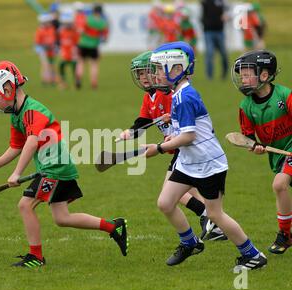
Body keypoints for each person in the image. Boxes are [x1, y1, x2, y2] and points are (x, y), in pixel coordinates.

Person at [0, 61, 128, 268]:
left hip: (54, 168)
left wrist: (16, 173)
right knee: (62, 218)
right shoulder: (17, 116)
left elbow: (32, 142)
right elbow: (16, 146)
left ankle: (36, 257)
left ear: (8, 88)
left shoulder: (33, 110)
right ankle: (114, 227)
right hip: (52, 168)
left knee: (25, 205)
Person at [143, 41, 267, 270]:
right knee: (165, 202)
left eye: (160, 69)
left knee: (215, 214)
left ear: (178, 69)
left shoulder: (185, 97)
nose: (156, 75)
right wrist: (171, 138)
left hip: (208, 164)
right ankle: (190, 242)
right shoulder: (178, 94)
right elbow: (185, 132)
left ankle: (252, 255)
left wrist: (159, 148)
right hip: (188, 161)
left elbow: (189, 136)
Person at [119, 51, 226, 241]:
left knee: (172, 195)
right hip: (178, 149)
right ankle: (213, 224)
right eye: (139, 74)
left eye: (146, 73)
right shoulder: (149, 97)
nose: (143, 78)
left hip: (185, 148)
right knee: (183, 192)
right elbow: (144, 121)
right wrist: (131, 132)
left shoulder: (169, 93)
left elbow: (184, 122)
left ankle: (206, 224)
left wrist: (166, 128)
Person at [232, 49, 292, 254]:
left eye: (247, 73)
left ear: (264, 76)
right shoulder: (246, 106)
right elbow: (248, 138)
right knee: (281, 186)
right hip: (278, 157)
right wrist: (254, 146)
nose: (243, 78)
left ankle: (285, 235)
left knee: (279, 185)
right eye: (241, 74)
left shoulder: (284, 95)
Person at [76, 3, 109, 90]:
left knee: (81, 62)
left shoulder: (87, 19)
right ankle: (94, 82)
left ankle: (78, 79)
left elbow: (80, 31)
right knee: (94, 64)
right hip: (94, 45)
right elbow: (105, 37)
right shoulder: (102, 22)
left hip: (83, 43)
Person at [200, 0, 229, 80]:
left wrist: (226, 14)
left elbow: (226, 9)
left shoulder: (221, 2)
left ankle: (224, 74)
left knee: (224, 53)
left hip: (220, 31)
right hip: (208, 31)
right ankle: (209, 76)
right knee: (209, 53)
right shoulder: (205, 2)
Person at [57, 12, 79, 90]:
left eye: (68, 23)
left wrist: (76, 52)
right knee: (61, 67)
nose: (67, 25)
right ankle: (63, 83)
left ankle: (77, 83)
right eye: (65, 23)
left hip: (73, 54)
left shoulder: (74, 31)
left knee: (75, 69)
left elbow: (77, 43)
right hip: (65, 54)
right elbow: (60, 42)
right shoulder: (61, 31)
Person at [34, 13, 57, 86]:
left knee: (52, 64)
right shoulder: (40, 30)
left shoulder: (52, 29)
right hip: (43, 50)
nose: (50, 23)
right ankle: (45, 81)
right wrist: (45, 46)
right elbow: (38, 42)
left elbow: (53, 39)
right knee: (45, 65)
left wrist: (52, 46)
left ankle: (52, 80)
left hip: (51, 50)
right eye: (48, 22)